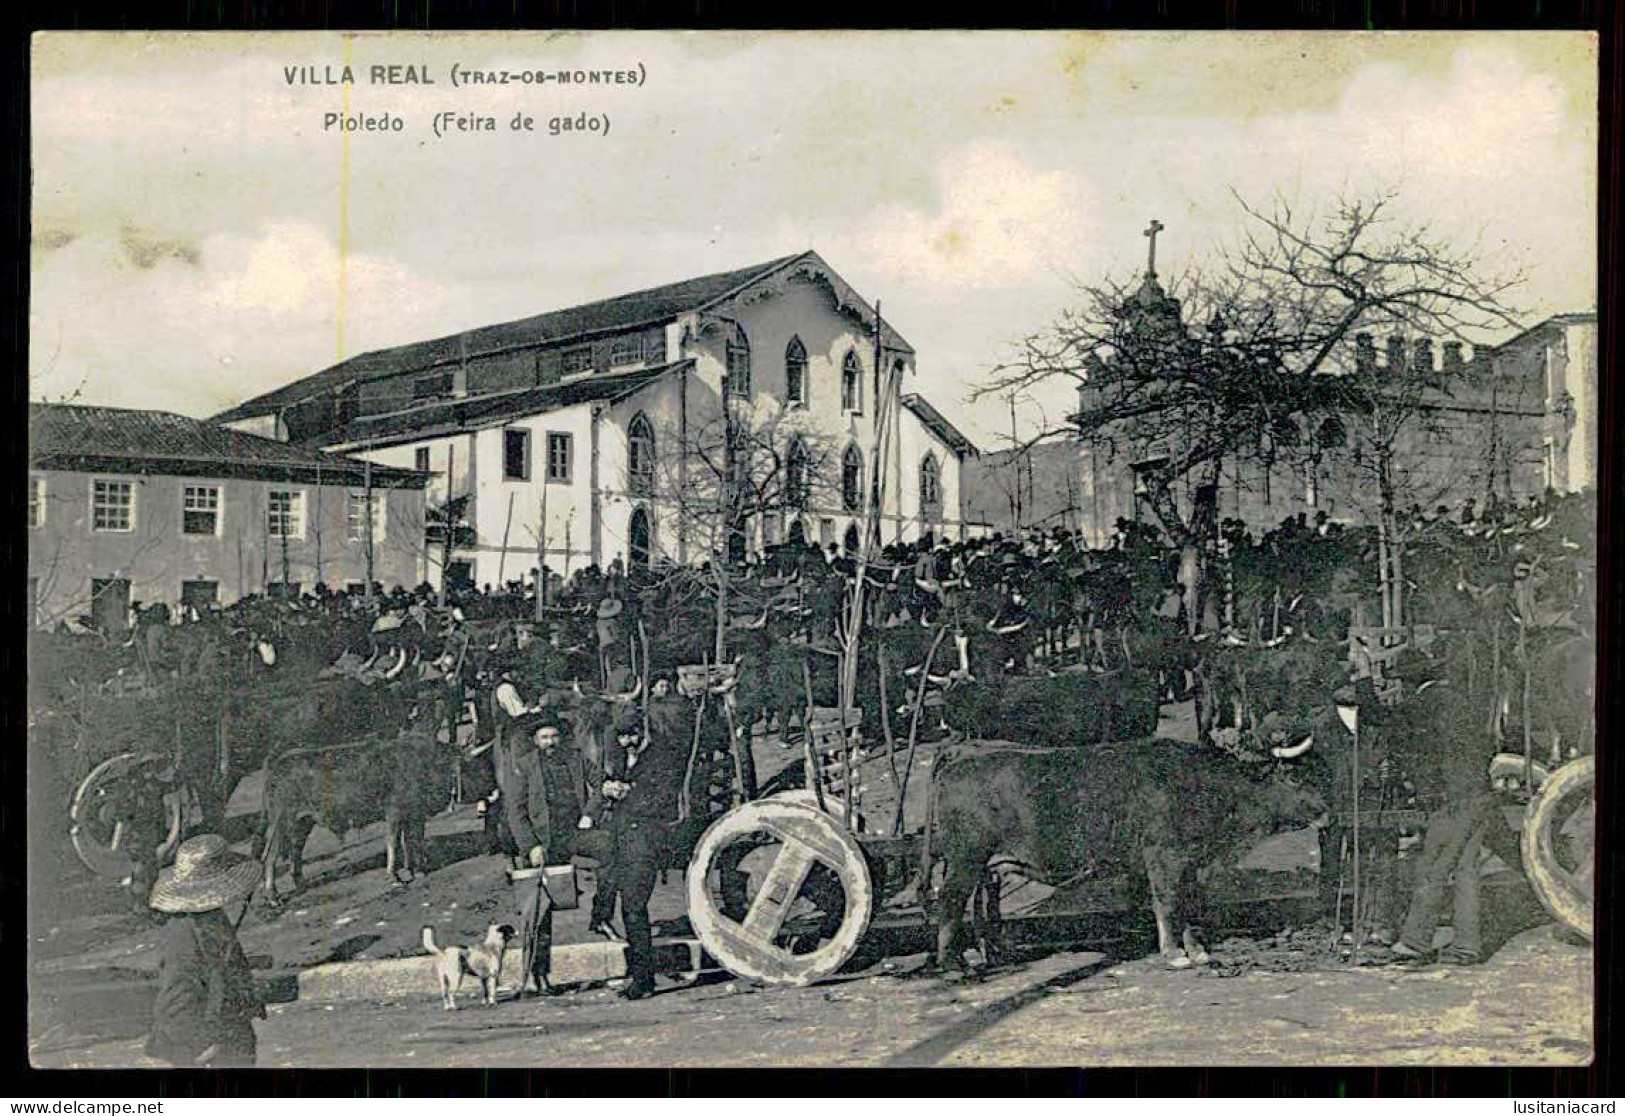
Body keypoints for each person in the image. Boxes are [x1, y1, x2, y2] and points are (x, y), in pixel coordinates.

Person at [145, 835, 265, 1067]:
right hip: (207, 1046)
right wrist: (202, 1044)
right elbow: (174, 1002)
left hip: (229, 1034)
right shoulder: (183, 933)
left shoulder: (208, 918)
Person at [596, 705, 689, 1000]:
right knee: (630, 909)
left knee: (635, 909)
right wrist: (609, 789)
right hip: (624, 841)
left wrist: (627, 794)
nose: (626, 742)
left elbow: (664, 799)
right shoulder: (622, 755)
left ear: (643, 730)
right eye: (621, 737)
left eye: (631, 735)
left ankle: (643, 980)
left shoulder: (662, 756)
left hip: (648, 842)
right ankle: (640, 975)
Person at [505, 710, 587, 997]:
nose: (550, 742)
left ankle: (601, 916)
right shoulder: (524, 766)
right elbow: (515, 812)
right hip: (541, 845)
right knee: (538, 913)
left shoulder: (573, 761)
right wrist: (530, 846)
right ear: (535, 740)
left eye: (554, 736)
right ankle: (536, 975)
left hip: (570, 838)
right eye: (544, 737)